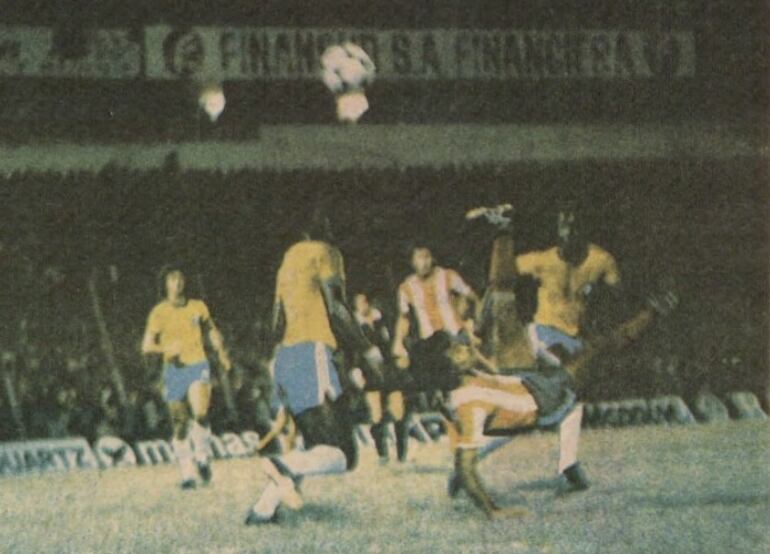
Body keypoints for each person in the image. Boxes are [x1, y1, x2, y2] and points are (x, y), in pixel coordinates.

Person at [444, 290, 678, 519]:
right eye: (458, 350)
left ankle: (568, 463)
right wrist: (493, 511)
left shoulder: (471, 377)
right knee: (599, 351)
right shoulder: (469, 402)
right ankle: (652, 312)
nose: (465, 349)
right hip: (544, 396)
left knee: (594, 356)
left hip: (529, 384)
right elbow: (466, 465)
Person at [245, 213, 382, 525]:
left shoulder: (288, 259)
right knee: (343, 454)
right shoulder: (326, 252)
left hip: (286, 355)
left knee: (313, 445)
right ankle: (280, 465)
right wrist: (366, 349)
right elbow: (336, 307)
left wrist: (275, 366)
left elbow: (276, 319)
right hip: (312, 351)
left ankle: (263, 509)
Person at [141, 265, 232, 489]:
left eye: (181, 278)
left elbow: (211, 330)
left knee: (200, 413)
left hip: (197, 364)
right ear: (166, 284)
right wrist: (166, 349)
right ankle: (187, 473)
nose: (178, 282)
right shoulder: (159, 312)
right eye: (173, 279)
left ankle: (201, 456)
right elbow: (147, 346)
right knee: (180, 424)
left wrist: (221, 353)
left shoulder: (197, 307)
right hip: (173, 370)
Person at [392, 244, 480, 395]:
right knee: (439, 385)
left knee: (465, 383)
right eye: (419, 257)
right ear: (412, 262)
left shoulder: (448, 275)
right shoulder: (406, 287)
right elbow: (404, 317)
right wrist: (398, 341)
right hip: (431, 343)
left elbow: (472, 298)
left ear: (433, 258)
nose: (424, 262)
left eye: (427, 257)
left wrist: (473, 324)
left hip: (456, 337)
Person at [354, 292, 410, 463]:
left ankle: (402, 453)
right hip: (369, 374)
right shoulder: (355, 327)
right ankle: (383, 453)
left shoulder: (381, 321)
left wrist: (400, 355)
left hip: (389, 372)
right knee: (376, 415)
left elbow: (394, 342)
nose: (362, 305)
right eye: (358, 303)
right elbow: (353, 351)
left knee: (398, 412)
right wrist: (356, 370)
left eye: (364, 301)